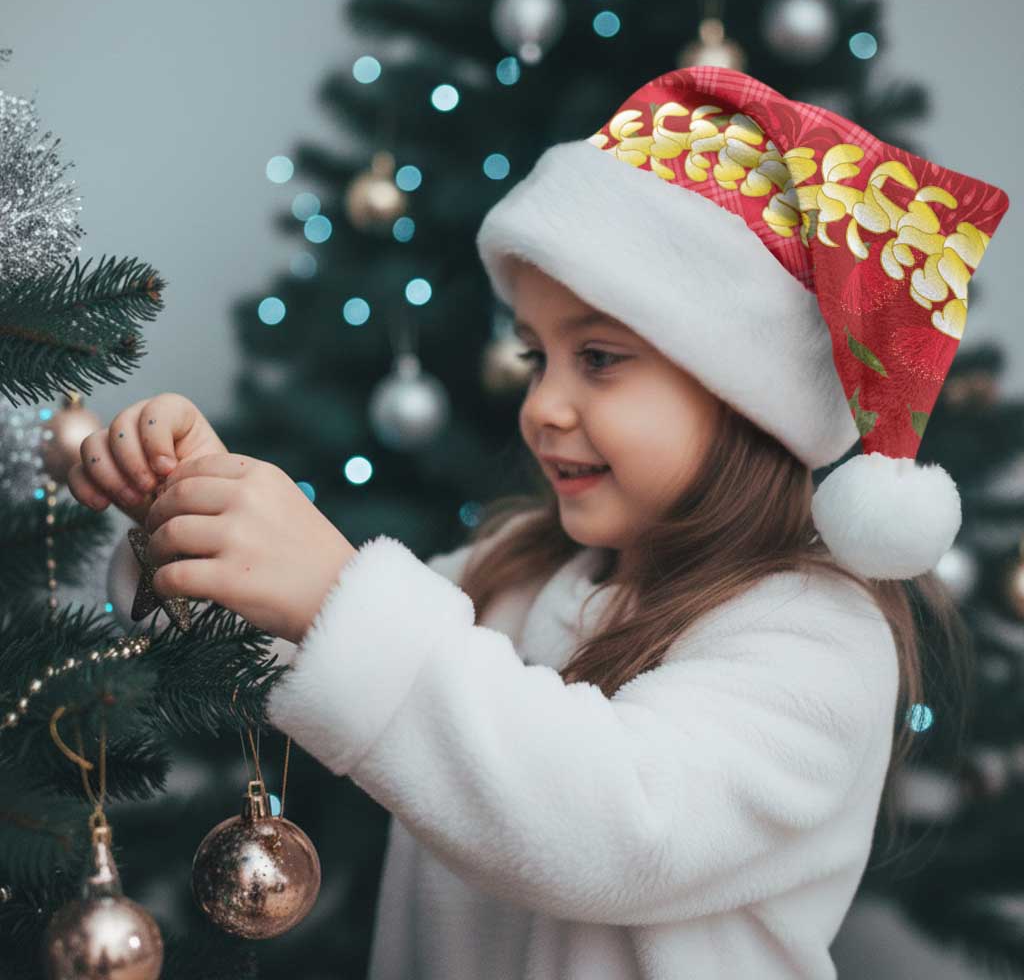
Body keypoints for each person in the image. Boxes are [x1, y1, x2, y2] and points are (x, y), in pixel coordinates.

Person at [74, 66, 1010, 979]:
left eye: (598, 359)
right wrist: (191, 520)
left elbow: (615, 827)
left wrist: (335, 591)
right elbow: (306, 648)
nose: (543, 406)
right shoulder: (515, 572)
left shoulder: (818, 639)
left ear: (746, 397)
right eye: (536, 357)